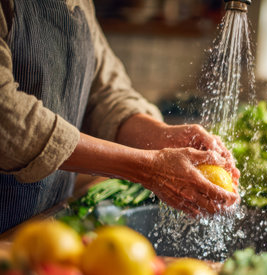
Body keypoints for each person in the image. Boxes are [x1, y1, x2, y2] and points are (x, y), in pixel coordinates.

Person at [0, 0, 240, 233]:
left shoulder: (81, 3)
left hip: (48, 225)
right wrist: (150, 168)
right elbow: (9, 119)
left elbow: (106, 95)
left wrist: (162, 136)